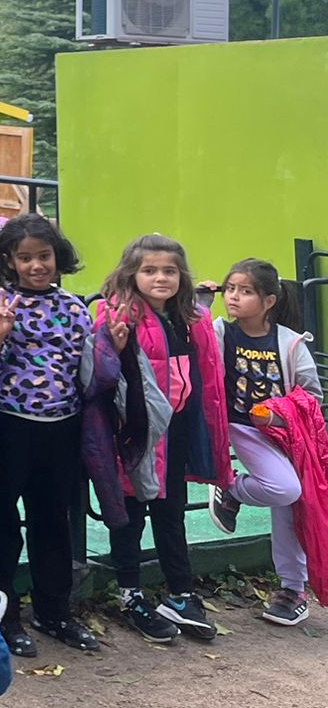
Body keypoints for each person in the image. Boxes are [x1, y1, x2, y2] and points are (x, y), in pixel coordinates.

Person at [92, 234, 232, 645]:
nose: (160, 278)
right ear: (131, 273)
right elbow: (100, 374)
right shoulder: (116, 314)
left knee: (171, 513)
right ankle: (130, 594)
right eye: (150, 270)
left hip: (175, 431)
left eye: (169, 270)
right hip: (134, 433)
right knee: (130, 513)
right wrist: (114, 345)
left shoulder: (188, 317)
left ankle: (180, 594)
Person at [0, 213, 98, 657]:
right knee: (1, 521)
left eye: (44, 256)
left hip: (63, 430)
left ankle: (54, 611)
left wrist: (115, 348)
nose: (36, 265)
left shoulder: (75, 308)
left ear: (57, 257)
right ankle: (2, 613)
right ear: (10, 260)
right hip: (11, 427)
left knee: (53, 520)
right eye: (25, 258)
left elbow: (90, 371)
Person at [208, 258, 320, 626]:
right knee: (285, 489)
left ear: (269, 301)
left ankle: (292, 590)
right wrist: (200, 304)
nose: (234, 297)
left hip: (278, 433)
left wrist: (277, 415)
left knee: (292, 502)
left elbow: (311, 396)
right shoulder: (221, 331)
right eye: (230, 289)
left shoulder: (289, 343)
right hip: (237, 427)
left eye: (245, 291)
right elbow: (194, 343)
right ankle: (232, 488)